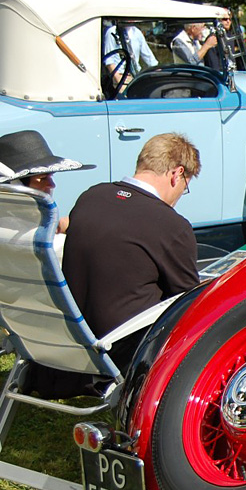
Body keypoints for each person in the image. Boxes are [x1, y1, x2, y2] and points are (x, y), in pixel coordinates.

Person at [62, 133, 201, 371]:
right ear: (176, 174)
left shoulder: (90, 197)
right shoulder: (171, 225)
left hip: (69, 344)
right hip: (122, 352)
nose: (180, 195)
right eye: (185, 186)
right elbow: (189, 302)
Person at [0, 130, 94, 234]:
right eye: (43, 178)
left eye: (51, 177)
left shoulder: (8, 227)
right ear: (16, 184)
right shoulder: (29, 236)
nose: (52, 185)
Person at [102, 23, 158, 89]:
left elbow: (149, 58)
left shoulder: (137, 32)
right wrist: (119, 81)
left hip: (135, 76)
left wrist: (158, 73)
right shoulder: (111, 31)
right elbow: (109, 60)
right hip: (120, 76)